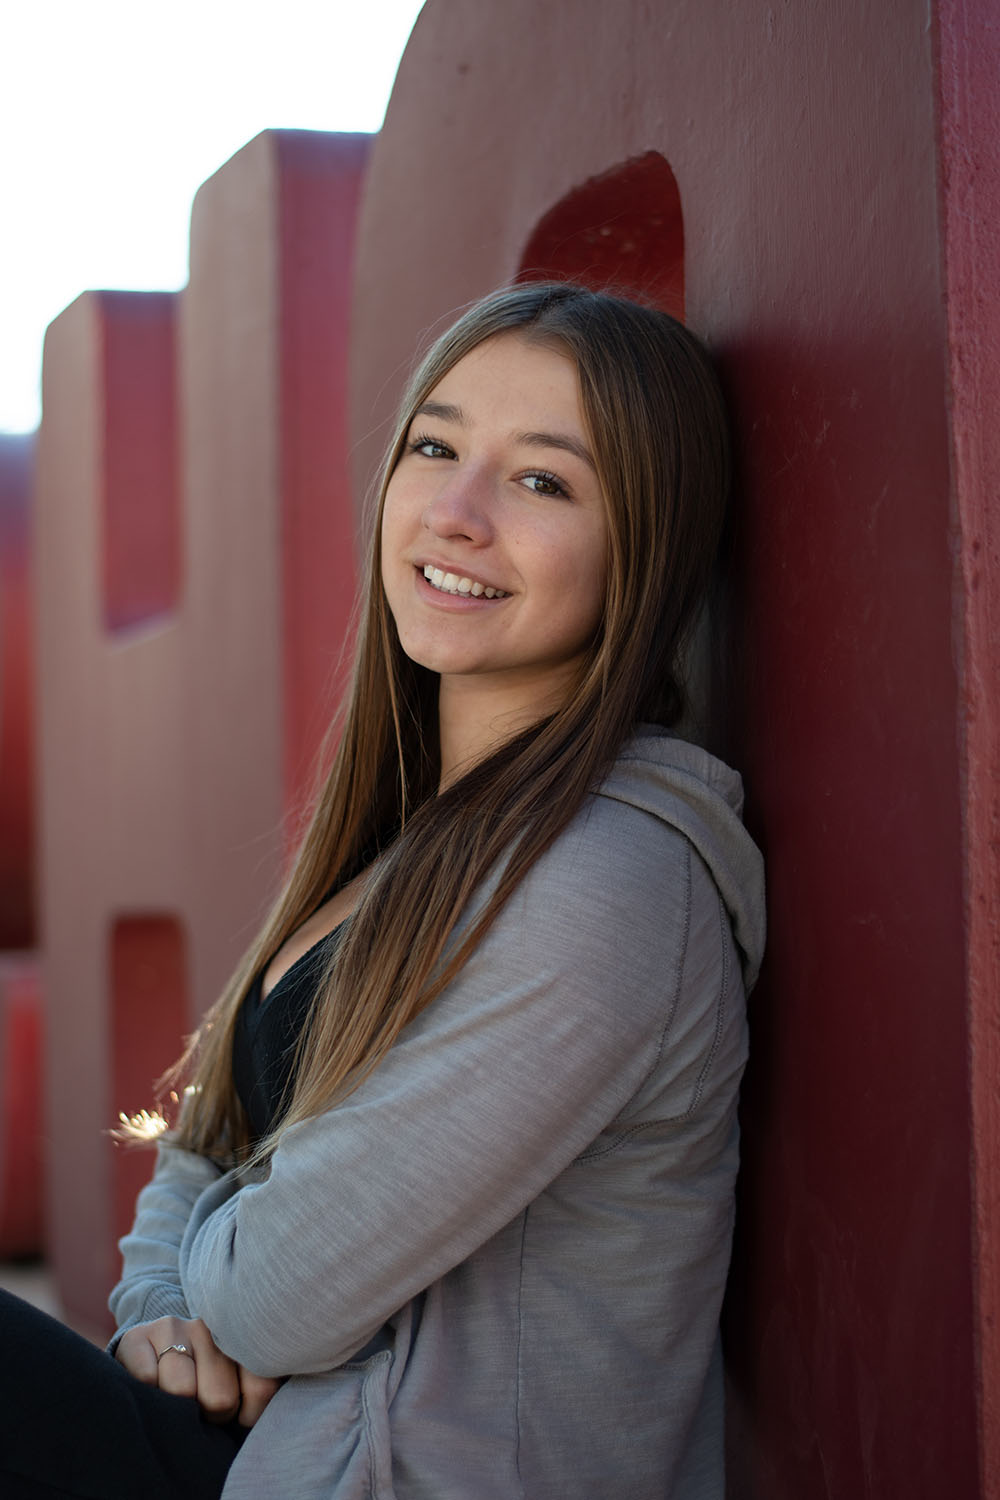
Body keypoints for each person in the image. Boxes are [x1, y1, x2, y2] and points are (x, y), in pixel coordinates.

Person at [0, 280, 764, 1499]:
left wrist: (220, 1295)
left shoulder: (610, 883)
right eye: (436, 447)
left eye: (543, 481)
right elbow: (202, 1142)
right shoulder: (409, 842)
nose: (456, 513)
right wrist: (158, 1316)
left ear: (647, 544)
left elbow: (281, 1296)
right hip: (254, 1452)